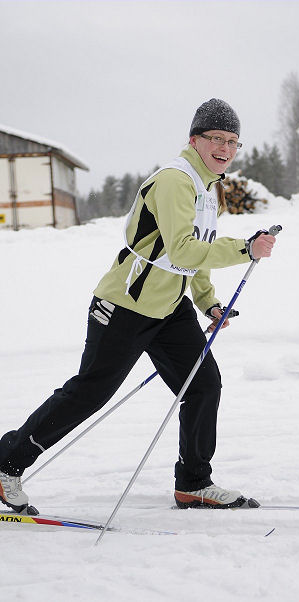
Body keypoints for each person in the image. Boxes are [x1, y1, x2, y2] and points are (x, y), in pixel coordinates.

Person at [0, 98, 276, 512]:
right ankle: (7, 464)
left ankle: (194, 484)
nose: (224, 148)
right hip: (125, 304)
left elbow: (195, 252)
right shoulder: (175, 180)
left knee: (203, 386)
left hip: (168, 307)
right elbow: (183, 251)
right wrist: (244, 249)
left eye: (232, 141)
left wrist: (208, 302)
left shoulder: (209, 189)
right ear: (194, 140)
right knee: (90, 392)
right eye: (215, 138)